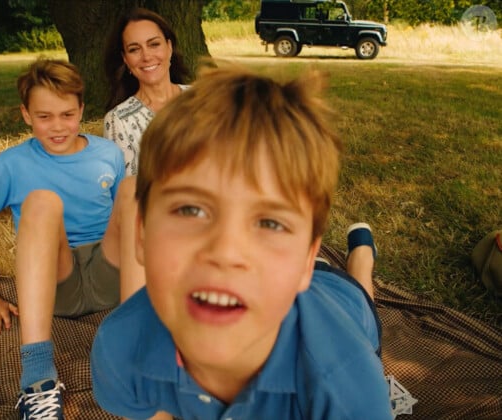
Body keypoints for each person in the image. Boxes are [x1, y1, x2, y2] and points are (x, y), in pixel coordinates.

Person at [91, 65, 392, 419]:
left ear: (306, 260)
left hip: (344, 304)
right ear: (140, 233)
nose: (226, 251)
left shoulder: (348, 389)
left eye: (269, 222)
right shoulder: (120, 349)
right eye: (190, 209)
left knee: (360, 293)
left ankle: (360, 260)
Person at [0, 58, 126, 419]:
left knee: (137, 190)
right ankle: (37, 380)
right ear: (26, 114)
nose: (58, 127)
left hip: (110, 275)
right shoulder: (11, 163)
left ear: (82, 109)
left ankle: (143, 345)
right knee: (42, 200)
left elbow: (124, 225)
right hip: (57, 282)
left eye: (67, 114)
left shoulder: (108, 154)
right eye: (44, 116)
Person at [103, 7, 190, 176]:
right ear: (125, 59)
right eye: (134, 49)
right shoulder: (119, 120)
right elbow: (127, 191)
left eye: (154, 44)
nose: (146, 56)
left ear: (169, 47)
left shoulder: (202, 98)